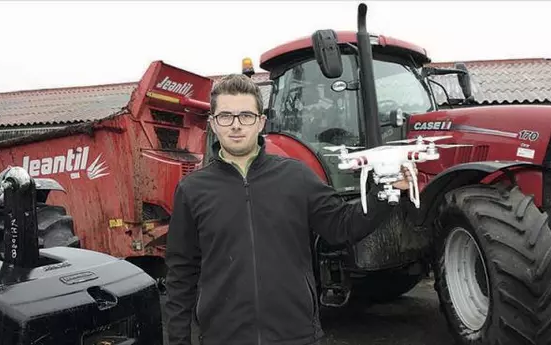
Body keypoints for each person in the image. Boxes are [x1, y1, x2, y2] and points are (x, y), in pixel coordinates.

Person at [165, 74, 416, 345]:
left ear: (261, 122)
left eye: (246, 116)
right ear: (213, 123)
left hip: (295, 335)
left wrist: (383, 193)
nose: (236, 125)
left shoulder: (296, 177)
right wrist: (179, 340)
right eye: (226, 116)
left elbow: (342, 226)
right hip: (223, 337)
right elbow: (181, 272)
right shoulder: (192, 190)